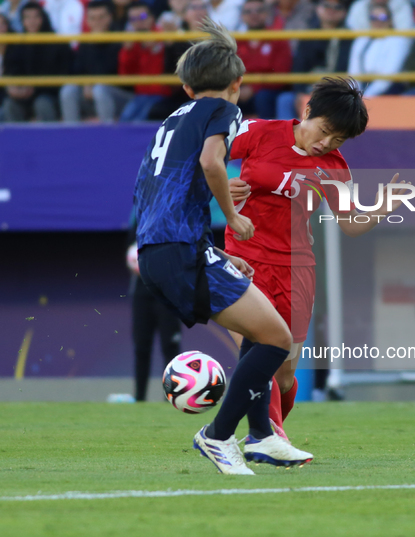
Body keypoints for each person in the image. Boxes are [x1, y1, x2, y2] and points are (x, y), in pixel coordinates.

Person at [134, 18, 312, 475]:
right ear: (237, 84)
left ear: (187, 85)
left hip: (162, 249)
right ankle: (217, 436)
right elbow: (213, 162)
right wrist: (231, 217)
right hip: (180, 249)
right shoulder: (225, 111)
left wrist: (213, 252)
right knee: (275, 338)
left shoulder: (171, 119)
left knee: (262, 333)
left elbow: (153, 189)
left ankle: (264, 436)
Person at [226, 77, 408, 439]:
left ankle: (269, 433)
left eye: (337, 139)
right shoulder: (258, 132)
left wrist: (383, 207)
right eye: (324, 131)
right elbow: (202, 161)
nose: (325, 143)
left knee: (284, 374)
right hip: (242, 259)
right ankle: (269, 439)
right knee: (259, 353)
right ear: (306, 111)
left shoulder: (335, 167)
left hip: (296, 271)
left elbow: (350, 224)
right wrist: (219, 190)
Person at [126, 210, 182, 402]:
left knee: (170, 347)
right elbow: (131, 250)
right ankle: (139, 398)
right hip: (142, 294)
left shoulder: (175, 218)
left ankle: (171, 397)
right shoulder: (139, 217)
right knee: (141, 347)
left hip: (168, 293)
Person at [276, 0, 352, 120]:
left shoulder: (349, 37)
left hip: (336, 90)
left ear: (344, 12)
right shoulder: (308, 35)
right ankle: (287, 137)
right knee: (285, 100)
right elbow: (298, 68)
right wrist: (299, 92)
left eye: (337, 7)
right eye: (326, 6)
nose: (331, 10)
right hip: (308, 88)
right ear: (317, 8)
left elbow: (347, 69)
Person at [60, 1, 131, 122]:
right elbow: (78, 71)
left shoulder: (121, 38)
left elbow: (121, 76)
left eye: (101, 17)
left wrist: (92, 83)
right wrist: (86, 83)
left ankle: (107, 135)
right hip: (91, 95)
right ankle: (71, 134)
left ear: (110, 17)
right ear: (87, 20)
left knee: (100, 90)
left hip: (119, 96)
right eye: (92, 18)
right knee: (68, 90)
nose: (97, 22)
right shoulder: (85, 41)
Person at [3, 2, 71, 122]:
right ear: (22, 20)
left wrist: (35, 88)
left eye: (36, 17)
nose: (32, 21)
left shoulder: (57, 43)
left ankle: (50, 139)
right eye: (27, 17)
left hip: (49, 95)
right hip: (22, 97)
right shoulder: (16, 45)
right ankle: (17, 141)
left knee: (42, 104)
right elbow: (9, 71)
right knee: (9, 105)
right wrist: (12, 89)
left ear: (43, 18)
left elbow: (63, 76)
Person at [236, 0, 292, 119]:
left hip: (269, 92)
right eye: (248, 11)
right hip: (241, 89)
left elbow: (281, 73)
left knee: (263, 97)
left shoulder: (278, 38)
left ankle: (266, 136)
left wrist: (253, 88)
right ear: (242, 16)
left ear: (267, 14)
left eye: (259, 11)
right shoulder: (236, 41)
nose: (254, 14)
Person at [118, 1, 170, 121]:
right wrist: (127, 51)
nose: (138, 22)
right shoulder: (131, 41)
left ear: (152, 18)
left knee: (140, 121)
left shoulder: (165, 35)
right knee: (124, 120)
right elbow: (125, 76)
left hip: (162, 95)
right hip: (139, 95)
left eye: (142, 17)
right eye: (133, 19)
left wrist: (158, 46)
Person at [348, 3, 412, 97]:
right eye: (373, 18)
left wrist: (365, 97)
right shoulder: (361, 40)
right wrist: (354, 95)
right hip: (363, 89)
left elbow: (387, 77)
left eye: (382, 17)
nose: (378, 21)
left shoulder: (397, 41)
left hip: (389, 90)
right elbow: (354, 74)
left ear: (390, 20)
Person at [346, 0, 414, 30]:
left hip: (391, 42)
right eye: (373, 18)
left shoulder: (401, 4)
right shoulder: (359, 6)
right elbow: (354, 31)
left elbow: (404, 34)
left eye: (383, 18)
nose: (378, 21)